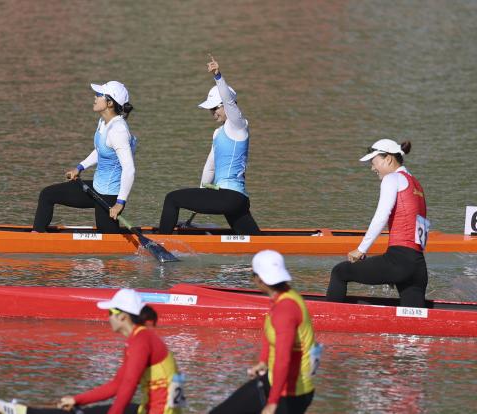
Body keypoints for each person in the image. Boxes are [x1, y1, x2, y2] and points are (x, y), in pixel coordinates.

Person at [0, 288, 186, 414]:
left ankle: (23, 412)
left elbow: (129, 385)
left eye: (110, 312)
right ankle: (25, 411)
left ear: (123, 317)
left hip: (161, 411)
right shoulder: (139, 338)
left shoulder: (141, 341)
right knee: (83, 410)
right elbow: (116, 385)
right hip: (155, 408)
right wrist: (77, 399)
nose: (107, 317)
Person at [158, 56, 261, 235]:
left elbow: (229, 101)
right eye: (210, 110)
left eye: (215, 108)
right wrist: (197, 201)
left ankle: (160, 242)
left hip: (228, 197)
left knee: (172, 199)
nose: (212, 113)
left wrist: (218, 76)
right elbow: (210, 169)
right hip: (235, 200)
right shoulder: (217, 133)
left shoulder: (238, 125)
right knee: (256, 243)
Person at [210, 250, 319, 414]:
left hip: (289, 394)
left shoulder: (285, 310)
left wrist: (272, 403)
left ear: (259, 279)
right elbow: (271, 334)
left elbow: (283, 359)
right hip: (273, 381)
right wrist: (263, 362)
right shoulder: (285, 296)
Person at [326, 139, 429, 308]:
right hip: (418, 266)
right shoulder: (416, 184)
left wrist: (361, 250)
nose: (372, 168)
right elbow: (419, 229)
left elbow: (381, 216)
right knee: (413, 324)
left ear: (388, 159)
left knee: (340, 272)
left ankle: (327, 320)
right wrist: (394, 272)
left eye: (374, 162)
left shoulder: (392, 179)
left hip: (399, 261)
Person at [32, 81, 137, 233]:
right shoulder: (104, 122)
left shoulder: (118, 131)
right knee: (47, 195)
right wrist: (79, 167)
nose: (95, 97)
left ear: (109, 103)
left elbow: (129, 169)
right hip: (97, 188)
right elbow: (100, 150)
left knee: (108, 242)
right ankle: (36, 235)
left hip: (110, 197)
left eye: (99, 95)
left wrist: (120, 203)